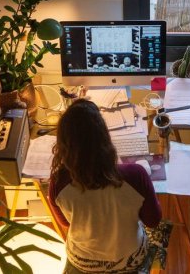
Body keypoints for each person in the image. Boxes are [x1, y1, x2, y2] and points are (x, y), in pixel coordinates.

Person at [48, 99, 162, 273]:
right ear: (104, 138)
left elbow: (65, 223)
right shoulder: (136, 175)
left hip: (82, 262)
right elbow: (153, 221)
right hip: (129, 261)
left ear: (64, 144)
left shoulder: (57, 182)